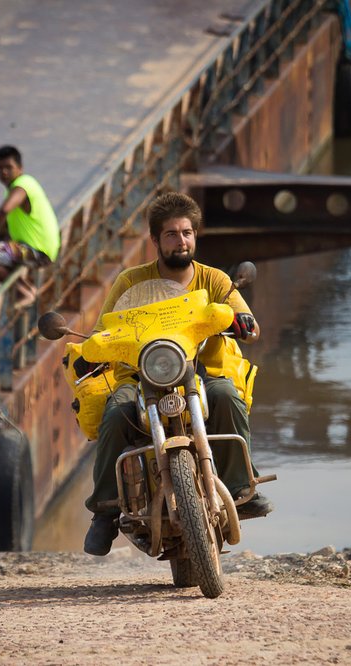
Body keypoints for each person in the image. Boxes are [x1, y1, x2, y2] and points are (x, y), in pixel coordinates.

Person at [83, 192, 273, 556]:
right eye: (171, 234)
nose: (180, 240)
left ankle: (238, 488)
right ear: (155, 240)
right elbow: (102, 328)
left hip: (202, 369)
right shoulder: (130, 282)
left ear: (195, 236)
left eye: (187, 232)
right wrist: (92, 349)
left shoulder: (214, 280)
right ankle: (104, 512)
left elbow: (246, 321)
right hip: (140, 375)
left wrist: (242, 322)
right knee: (115, 412)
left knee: (226, 397)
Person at [0, 145, 60, 301]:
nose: (4, 172)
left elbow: (3, 211)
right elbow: (5, 227)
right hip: (37, 248)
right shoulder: (19, 186)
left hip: (37, 252)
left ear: (20, 168)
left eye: (8, 167)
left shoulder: (22, 186)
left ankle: (23, 291)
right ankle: (23, 287)